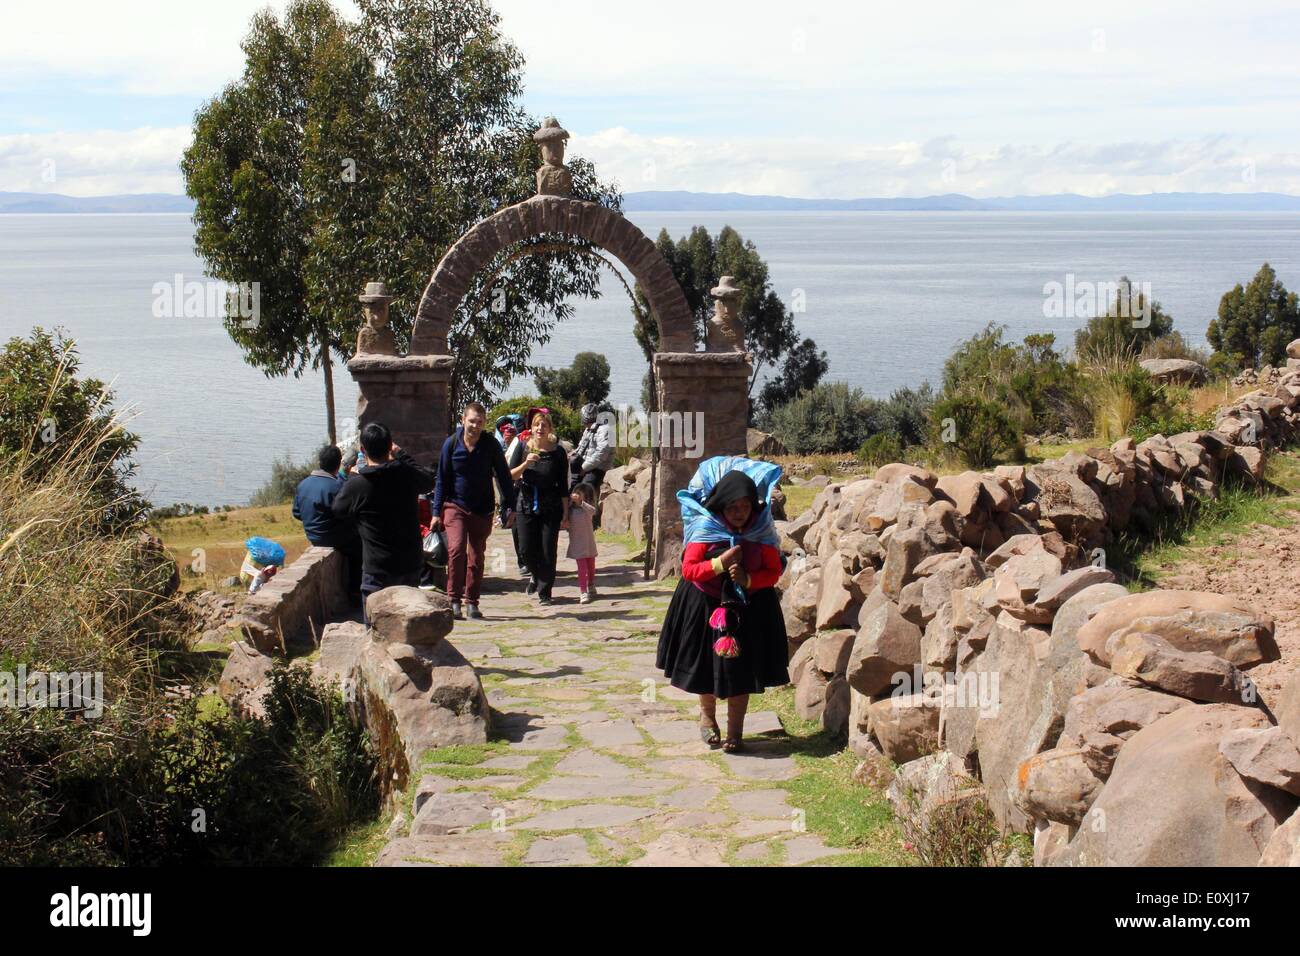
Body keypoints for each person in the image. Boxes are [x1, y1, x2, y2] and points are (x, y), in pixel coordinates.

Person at [655, 459, 789, 753]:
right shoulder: (706, 527)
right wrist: (720, 564)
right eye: (732, 507)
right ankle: (707, 718)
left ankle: (735, 732)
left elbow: (774, 571)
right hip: (705, 605)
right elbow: (689, 570)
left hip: (749, 609)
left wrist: (749, 579)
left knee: (742, 671)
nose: (739, 513)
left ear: (752, 505)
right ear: (720, 507)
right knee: (706, 669)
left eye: (744, 506)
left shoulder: (761, 531)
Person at [330, 423, 436, 617]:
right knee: (408, 627)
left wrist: (349, 478)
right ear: (390, 447)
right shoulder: (406, 476)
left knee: (375, 631)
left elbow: (338, 509)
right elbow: (428, 481)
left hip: (377, 568)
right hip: (409, 564)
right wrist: (402, 455)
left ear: (363, 450)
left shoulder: (358, 485)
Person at [429, 402, 514, 620]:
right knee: (456, 549)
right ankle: (453, 600)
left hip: (482, 509)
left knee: (476, 556)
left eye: (480, 422)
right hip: (454, 505)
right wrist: (436, 512)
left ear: (484, 423)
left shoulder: (491, 445)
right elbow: (442, 479)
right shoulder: (451, 444)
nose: (475, 425)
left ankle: (472, 602)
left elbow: (503, 476)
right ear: (463, 420)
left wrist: (510, 505)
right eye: (472, 421)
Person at [511, 407, 568, 605]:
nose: (540, 428)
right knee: (526, 549)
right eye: (536, 424)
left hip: (550, 504)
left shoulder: (558, 452)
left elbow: (563, 485)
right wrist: (525, 464)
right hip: (526, 502)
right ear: (531, 427)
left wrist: (566, 512)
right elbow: (510, 475)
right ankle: (535, 574)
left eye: (544, 424)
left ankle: (545, 592)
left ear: (550, 428)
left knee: (547, 550)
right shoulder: (523, 446)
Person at [292, 444, 362, 603]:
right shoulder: (337, 487)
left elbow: (297, 513)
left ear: (320, 462)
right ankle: (355, 592)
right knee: (360, 548)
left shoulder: (303, 484)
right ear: (339, 464)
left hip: (313, 535)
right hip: (332, 537)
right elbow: (347, 514)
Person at [563, 481, 599, 604]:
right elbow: (565, 521)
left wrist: (581, 503)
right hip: (577, 544)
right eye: (575, 493)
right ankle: (583, 591)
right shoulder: (570, 510)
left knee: (591, 567)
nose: (576, 496)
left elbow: (593, 511)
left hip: (588, 543)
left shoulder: (586, 509)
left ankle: (591, 584)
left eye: (579, 494)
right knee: (582, 568)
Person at [570, 402, 614, 493]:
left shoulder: (605, 430)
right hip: (584, 463)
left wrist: (584, 468)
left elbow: (601, 454)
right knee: (568, 482)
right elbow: (581, 447)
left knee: (584, 489)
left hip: (597, 468)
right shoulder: (588, 429)